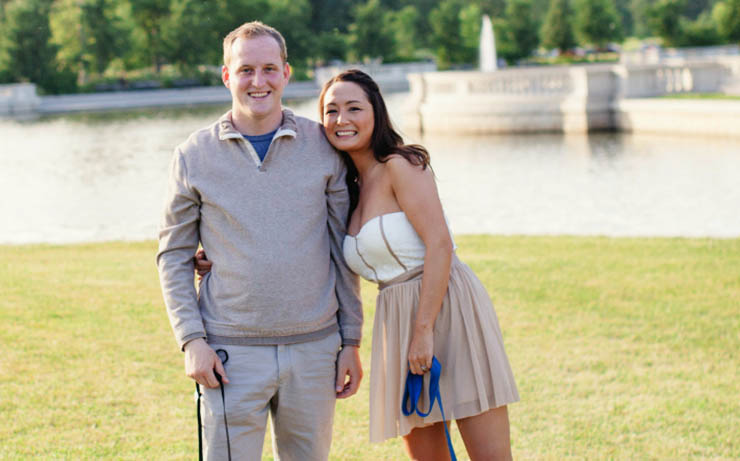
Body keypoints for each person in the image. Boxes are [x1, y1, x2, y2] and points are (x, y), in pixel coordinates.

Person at [198, 69, 520, 460]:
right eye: (331, 110)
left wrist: (423, 331)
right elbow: (305, 239)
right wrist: (219, 255)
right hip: (395, 316)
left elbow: (440, 244)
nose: (342, 119)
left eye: (354, 108)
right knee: (426, 453)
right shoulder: (347, 184)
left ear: (376, 112)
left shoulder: (402, 164)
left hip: (445, 307)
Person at [156, 22, 363, 461]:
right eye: (246, 69)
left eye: (269, 68)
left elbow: (341, 249)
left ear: (286, 73)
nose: (258, 81)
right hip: (229, 353)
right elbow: (173, 256)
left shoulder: (323, 146)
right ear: (227, 76)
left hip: (315, 349)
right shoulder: (193, 156)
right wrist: (192, 341)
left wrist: (351, 340)